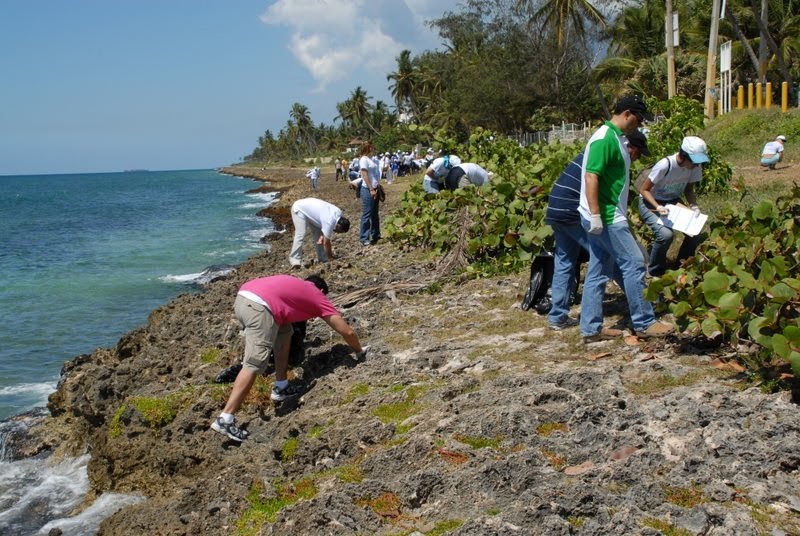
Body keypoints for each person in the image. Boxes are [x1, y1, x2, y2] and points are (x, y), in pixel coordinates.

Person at [211, 274, 368, 441]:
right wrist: (359, 351)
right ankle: (225, 418)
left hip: (244, 297)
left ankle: (281, 386)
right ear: (322, 291)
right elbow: (347, 331)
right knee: (254, 363)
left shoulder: (296, 286)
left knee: (285, 332)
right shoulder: (316, 294)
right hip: (259, 307)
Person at [578, 95, 674, 342]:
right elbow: (591, 176)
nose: (639, 125)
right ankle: (645, 322)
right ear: (628, 113)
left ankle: (590, 328)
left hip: (604, 214)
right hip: (607, 216)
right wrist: (597, 215)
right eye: (639, 119)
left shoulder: (616, 137)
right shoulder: (604, 138)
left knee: (599, 269)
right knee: (634, 262)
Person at [545, 129, 650, 330]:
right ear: (629, 146)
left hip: (556, 208)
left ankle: (557, 317)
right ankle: (641, 304)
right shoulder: (608, 156)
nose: (636, 159)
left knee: (565, 261)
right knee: (608, 258)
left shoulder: (594, 151)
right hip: (573, 211)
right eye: (637, 154)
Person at [638, 136, 709, 276]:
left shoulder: (694, 167)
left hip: (672, 201)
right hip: (650, 202)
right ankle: (655, 271)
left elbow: (689, 190)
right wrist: (657, 207)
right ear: (684, 156)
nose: (697, 165)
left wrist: (694, 206)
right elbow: (644, 190)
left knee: (695, 232)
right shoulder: (665, 165)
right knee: (665, 235)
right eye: (695, 161)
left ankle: (681, 266)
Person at [289, 197, 350, 267]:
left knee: (319, 234)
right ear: (338, 226)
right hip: (299, 209)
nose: (337, 233)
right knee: (300, 233)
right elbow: (326, 243)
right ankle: (295, 260)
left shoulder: (339, 214)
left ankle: (322, 257)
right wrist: (331, 259)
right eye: (339, 232)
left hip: (312, 212)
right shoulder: (329, 222)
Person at [358, 141, 382, 246]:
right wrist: (371, 188)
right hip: (367, 189)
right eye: (371, 148)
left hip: (375, 188)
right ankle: (364, 237)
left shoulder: (372, 159)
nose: (373, 149)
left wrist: (377, 186)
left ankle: (376, 234)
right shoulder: (364, 159)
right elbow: (365, 175)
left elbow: (375, 174)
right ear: (368, 148)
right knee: (367, 213)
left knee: (375, 213)